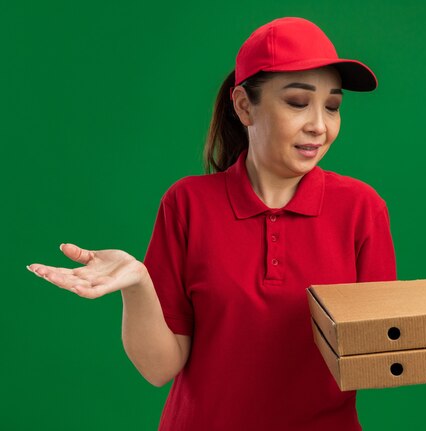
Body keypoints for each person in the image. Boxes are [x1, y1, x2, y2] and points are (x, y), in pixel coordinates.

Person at [26, 16, 397, 430]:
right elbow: (159, 368)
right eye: (297, 102)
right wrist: (137, 285)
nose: (320, 125)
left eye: (333, 106)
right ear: (243, 105)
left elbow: (380, 361)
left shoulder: (362, 210)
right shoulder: (187, 205)